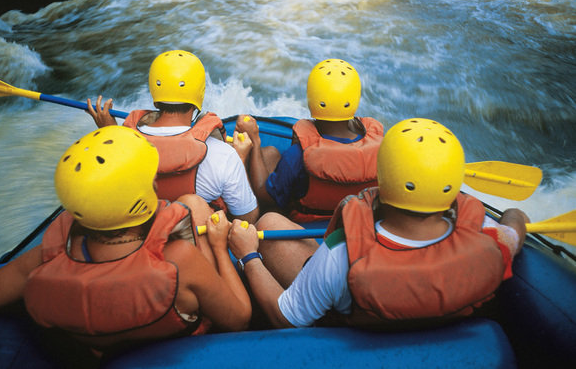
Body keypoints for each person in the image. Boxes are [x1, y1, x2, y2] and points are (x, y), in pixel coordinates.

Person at [0, 126, 251, 355]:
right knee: (194, 204)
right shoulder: (179, 260)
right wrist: (218, 247)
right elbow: (238, 320)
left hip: (100, 348)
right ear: (150, 188)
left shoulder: (45, 259)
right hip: (185, 344)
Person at [227, 118, 529, 329]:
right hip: (452, 336)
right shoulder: (492, 238)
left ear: (381, 174)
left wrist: (248, 255)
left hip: (349, 330)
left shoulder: (340, 254)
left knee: (269, 222)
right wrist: (516, 216)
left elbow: (285, 317)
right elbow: (515, 225)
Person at [86, 50, 259, 224]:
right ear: (200, 92)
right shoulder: (223, 156)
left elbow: (114, 171)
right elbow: (247, 218)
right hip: (195, 244)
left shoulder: (122, 146)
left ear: (154, 89)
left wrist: (109, 131)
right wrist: (241, 158)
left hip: (140, 236)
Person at [235, 58, 384, 222]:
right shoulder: (381, 150)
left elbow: (263, 194)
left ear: (311, 99)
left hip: (306, 225)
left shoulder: (298, 155)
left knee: (267, 156)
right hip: (355, 220)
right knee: (271, 154)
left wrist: (255, 142)